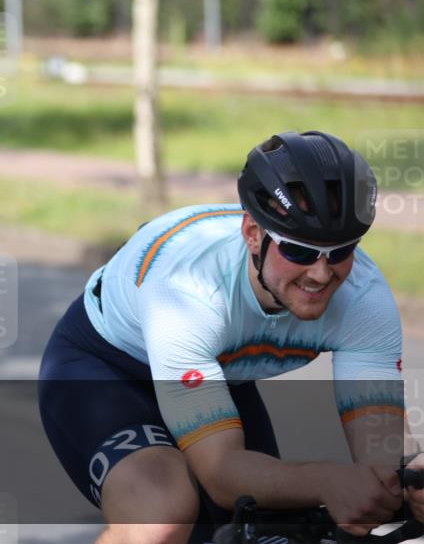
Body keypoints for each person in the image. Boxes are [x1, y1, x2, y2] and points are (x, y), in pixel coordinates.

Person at [38, 130, 419, 543]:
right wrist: (328, 482)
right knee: (162, 514)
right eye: (298, 252)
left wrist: (412, 477)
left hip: (215, 373)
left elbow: (384, 452)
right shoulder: (188, 291)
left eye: (341, 252)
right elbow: (221, 472)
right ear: (253, 234)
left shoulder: (363, 296)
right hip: (108, 369)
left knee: (266, 531)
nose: (321, 274)